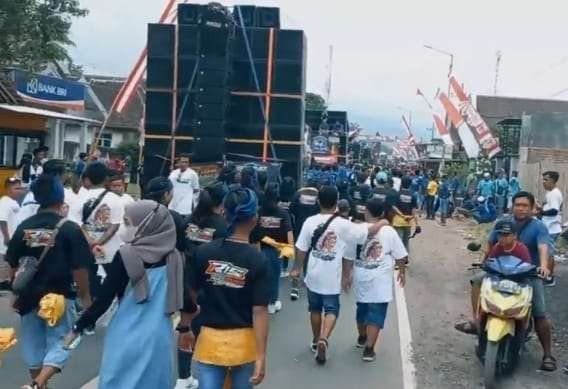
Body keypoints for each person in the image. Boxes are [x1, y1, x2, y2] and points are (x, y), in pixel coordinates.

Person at [66, 200, 186, 389]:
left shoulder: (126, 255)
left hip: (125, 330)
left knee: (118, 380)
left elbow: (105, 299)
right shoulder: (175, 257)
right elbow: (184, 298)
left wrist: (78, 327)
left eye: (129, 222)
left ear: (146, 225)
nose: (126, 227)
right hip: (158, 333)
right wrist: (187, 326)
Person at [7, 175, 92, 389]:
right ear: (60, 197)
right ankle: (38, 384)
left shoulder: (24, 227)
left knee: (33, 345)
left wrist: (15, 292)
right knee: (65, 340)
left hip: (29, 295)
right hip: (60, 296)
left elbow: (13, 264)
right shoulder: (70, 228)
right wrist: (85, 297)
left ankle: (38, 384)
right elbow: (80, 268)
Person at [180, 188, 270, 388]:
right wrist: (261, 356)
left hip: (208, 342)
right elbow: (260, 311)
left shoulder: (203, 253)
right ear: (254, 218)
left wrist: (184, 328)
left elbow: (190, 297)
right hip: (244, 346)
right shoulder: (258, 260)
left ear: (225, 214)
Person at [457, 192, 557, 372]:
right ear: (512, 206)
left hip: (529, 275)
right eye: (518, 204)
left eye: (525, 205)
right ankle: (478, 320)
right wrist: (485, 262)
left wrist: (543, 267)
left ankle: (547, 354)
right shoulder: (502, 222)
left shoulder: (538, 227)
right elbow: (491, 244)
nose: (520, 208)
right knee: (477, 280)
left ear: (532, 208)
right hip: (500, 272)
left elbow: (544, 248)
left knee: (539, 313)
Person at [291, 186, 387, 365]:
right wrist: (382, 223)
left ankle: (314, 340)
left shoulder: (310, 222)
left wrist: (297, 268)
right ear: (336, 202)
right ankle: (324, 338)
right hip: (331, 277)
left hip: (313, 274)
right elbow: (367, 232)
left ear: (319, 201)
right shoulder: (343, 224)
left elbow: (302, 248)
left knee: (314, 309)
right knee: (331, 310)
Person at [343, 197, 408, 362]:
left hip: (361, 276)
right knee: (376, 313)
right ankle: (369, 349)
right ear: (382, 214)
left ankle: (362, 337)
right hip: (380, 280)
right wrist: (402, 271)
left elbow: (348, 256)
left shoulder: (357, 229)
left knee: (362, 309)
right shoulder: (389, 231)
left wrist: (346, 275)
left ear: (366, 212)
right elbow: (400, 255)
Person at [78, 162, 125, 310]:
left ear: (88, 179)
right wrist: (99, 242)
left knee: (90, 282)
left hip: (85, 248)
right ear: (106, 179)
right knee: (115, 283)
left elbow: (78, 224)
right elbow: (115, 226)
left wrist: (90, 242)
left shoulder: (79, 197)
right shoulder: (115, 199)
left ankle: (87, 316)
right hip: (109, 249)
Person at [253, 183, 293, 314]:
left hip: (257, 248)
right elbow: (288, 232)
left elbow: (253, 229)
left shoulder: (258, 211)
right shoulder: (283, 213)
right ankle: (272, 303)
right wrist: (290, 250)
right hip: (276, 250)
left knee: (259, 277)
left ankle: (258, 301)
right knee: (274, 277)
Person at [18, 160, 82, 226]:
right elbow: (76, 223)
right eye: (66, 173)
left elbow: (21, 220)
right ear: (58, 175)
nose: (67, 176)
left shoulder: (31, 194)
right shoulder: (67, 195)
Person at [289, 180, 320, 301]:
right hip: (314, 229)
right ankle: (307, 278)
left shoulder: (298, 195)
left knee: (299, 255)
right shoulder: (318, 196)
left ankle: (295, 284)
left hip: (299, 226)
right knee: (310, 255)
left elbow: (291, 209)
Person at [539, 171, 562, 286]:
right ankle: (546, 275)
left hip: (552, 228)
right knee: (547, 253)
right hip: (549, 227)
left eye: (545, 180)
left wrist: (541, 212)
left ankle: (549, 278)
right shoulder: (550, 193)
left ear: (552, 181)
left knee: (549, 254)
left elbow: (554, 210)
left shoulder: (554, 193)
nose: (543, 182)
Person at [0, 177, 24, 290]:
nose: (19, 191)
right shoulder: (4, 201)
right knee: (6, 261)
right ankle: (3, 283)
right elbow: (2, 220)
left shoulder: (13, 202)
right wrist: (6, 237)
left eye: (20, 188)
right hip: (6, 239)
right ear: (7, 189)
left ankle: (7, 282)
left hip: (13, 238)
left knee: (10, 261)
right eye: (16, 188)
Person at [391, 176, 418, 251]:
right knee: (406, 241)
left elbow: (393, 207)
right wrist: (417, 224)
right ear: (410, 184)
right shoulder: (413, 195)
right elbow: (414, 212)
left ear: (401, 183)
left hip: (397, 221)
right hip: (408, 221)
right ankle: (404, 258)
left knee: (397, 241)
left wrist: (401, 215)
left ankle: (397, 258)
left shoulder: (397, 194)